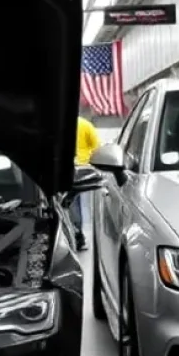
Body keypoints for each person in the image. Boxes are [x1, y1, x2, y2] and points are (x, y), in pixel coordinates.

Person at [73, 103, 102, 251]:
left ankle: (74, 235)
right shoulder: (86, 125)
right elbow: (97, 147)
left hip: (65, 169)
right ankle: (79, 237)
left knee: (71, 204)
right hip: (83, 169)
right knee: (80, 205)